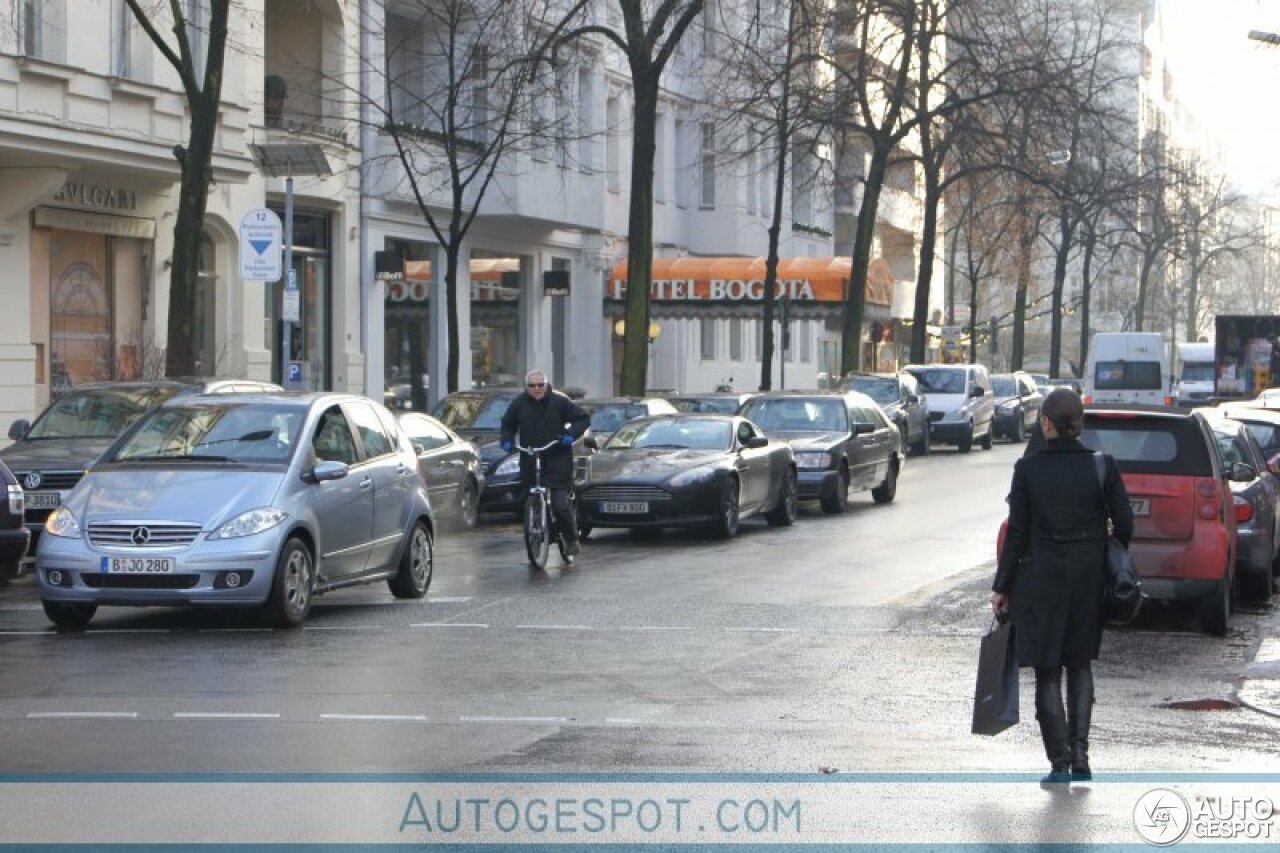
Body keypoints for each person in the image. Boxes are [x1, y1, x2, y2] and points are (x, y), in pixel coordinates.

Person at [991, 388, 1133, 786]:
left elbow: (1016, 535)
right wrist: (1106, 556)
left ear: (1046, 423)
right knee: (1080, 663)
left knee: (1048, 670)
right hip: (1088, 579)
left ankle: (1060, 763)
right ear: (1079, 425)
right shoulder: (1101, 466)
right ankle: (1082, 757)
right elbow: (1124, 522)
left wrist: (1002, 586)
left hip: (1043, 581)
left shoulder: (1028, 470)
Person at [499, 370, 590, 561]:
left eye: (541, 385)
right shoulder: (519, 404)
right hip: (531, 457)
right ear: (526, 387)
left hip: (557, 457)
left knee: (559, 503)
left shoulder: (559, 402)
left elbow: (582, 418)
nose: (537, 389)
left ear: (546, 385)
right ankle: (541, 529)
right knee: (530, 497)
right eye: (532, 385)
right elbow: (507, 424)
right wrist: (507, 440)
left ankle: (571, 537)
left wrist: (570, 435)